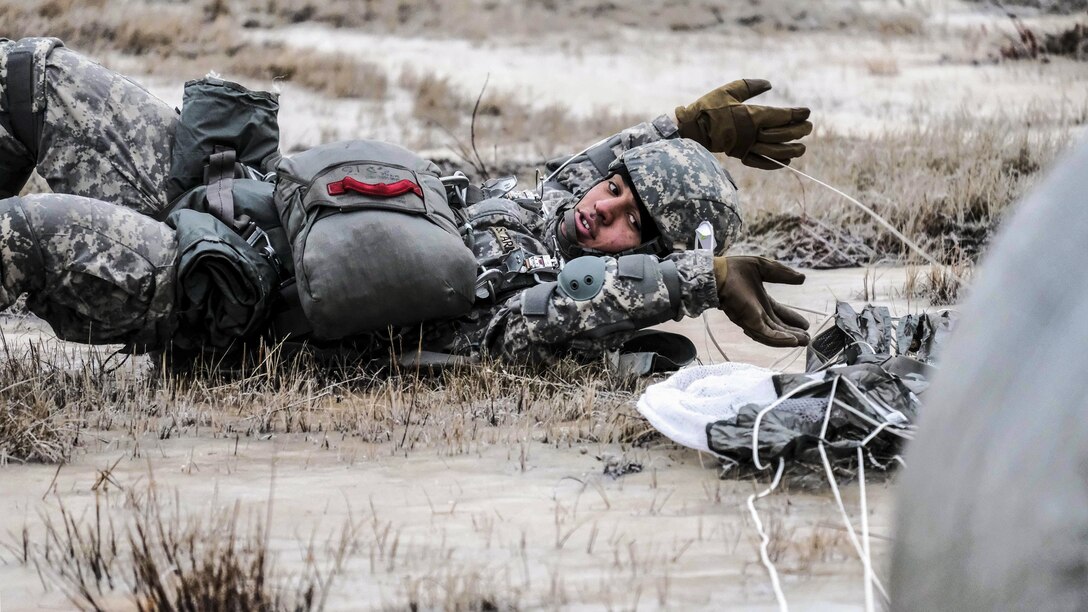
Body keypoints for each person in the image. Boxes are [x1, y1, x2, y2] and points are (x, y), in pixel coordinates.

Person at [0, 37, 813, 369]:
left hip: (209, 289)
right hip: (224, 198)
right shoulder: (559, 205)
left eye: (632, 220)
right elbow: (601, 162)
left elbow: (573, 308)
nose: (605, 207)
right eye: (617, 190)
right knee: (28, 75)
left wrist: (700, 279)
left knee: (18, 238)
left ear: (645, 260)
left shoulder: (533, 311)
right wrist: (686, 126)